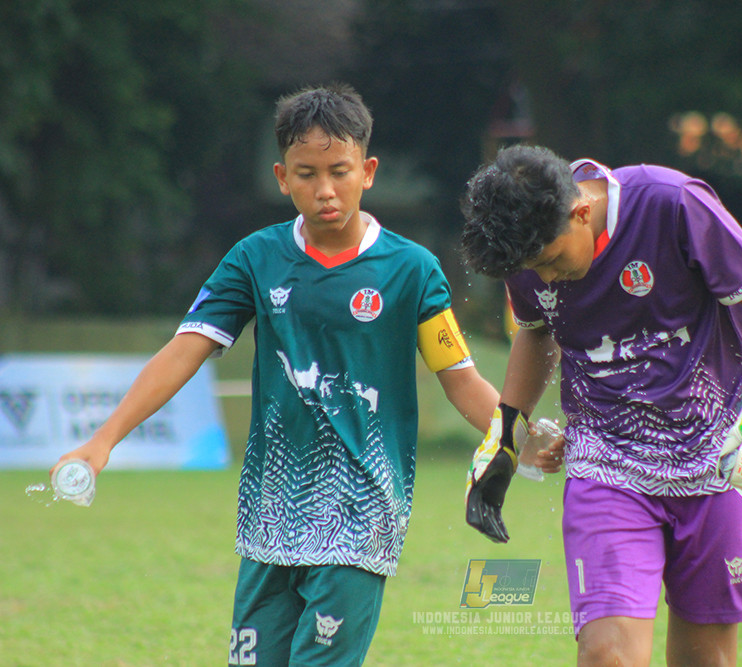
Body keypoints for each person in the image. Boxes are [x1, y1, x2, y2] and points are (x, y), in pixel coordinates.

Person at [52, 83, 501, 666]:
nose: (324, 189)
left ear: (367, 171)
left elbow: (459, 375)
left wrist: (512, 431)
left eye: (338, 171)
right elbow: (185, 349)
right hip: (270, 512)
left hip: (360, 515)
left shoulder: (412, 270)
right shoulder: (255, 258)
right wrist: (102, 441)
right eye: (306, 173)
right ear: (282, 177)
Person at [461, 145, 742, 667]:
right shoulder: (525, 245)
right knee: (607, 656)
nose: (546, 279)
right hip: (607, 464)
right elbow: (536, 335)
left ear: (581, 212)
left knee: (706, 660)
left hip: (717, 456)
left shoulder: (670, 203)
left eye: (552, 261)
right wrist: (506, 433)